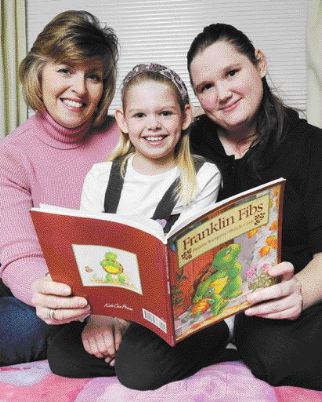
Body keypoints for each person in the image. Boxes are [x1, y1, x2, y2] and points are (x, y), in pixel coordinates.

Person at [44, 63, 229, 390]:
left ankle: (208, 341)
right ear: (123, 122)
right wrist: (100, 321)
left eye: (165, 114)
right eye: (140, 115)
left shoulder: (202, 176)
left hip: (172, 313)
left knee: (139, 371)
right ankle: (124, 352)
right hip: (111, 310)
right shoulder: (101, 177)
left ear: (185, 117)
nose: (153, 125)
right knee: (61, 354)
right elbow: (87, 260)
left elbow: (187, 269)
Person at [187, 23, 322, 390]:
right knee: (273, 348)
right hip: (241, 314)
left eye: (232, 73)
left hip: (302, 290)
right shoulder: (187, 145)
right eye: (206, 87)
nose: (223, 93)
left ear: (259, 63)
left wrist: (301, 291)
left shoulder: (310, 145)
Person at [0, 10, 119, 366]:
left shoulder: (128, 135)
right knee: (28, 323)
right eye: (65, 70)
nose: (79, 89)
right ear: (38, 72)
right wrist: (44, 291)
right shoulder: (12, 154)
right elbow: (18, 254)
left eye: (93, 76)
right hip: (45, 298)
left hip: (116, 297)